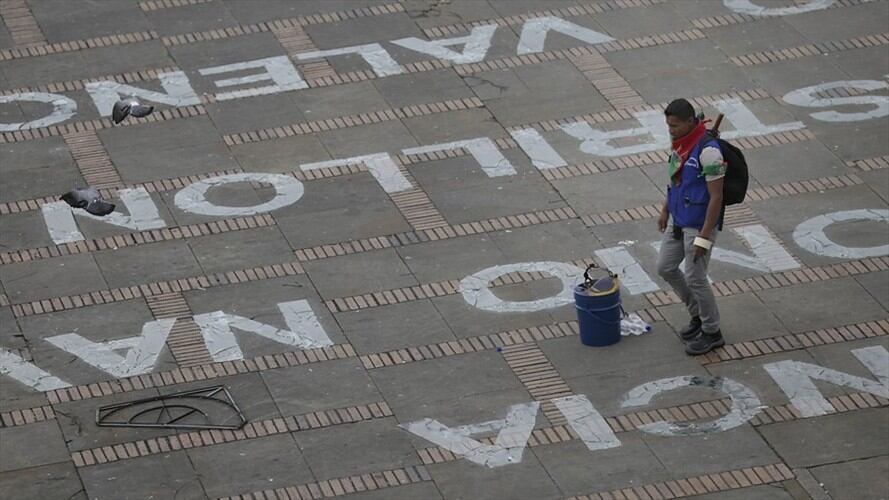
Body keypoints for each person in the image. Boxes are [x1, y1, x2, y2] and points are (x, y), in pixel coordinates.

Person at [656, 98, 726, 355]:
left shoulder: (709, 152)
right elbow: (676, 181)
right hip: (678, 218)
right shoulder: (680, 144)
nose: (670, 130)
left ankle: (712, 331)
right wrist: (666, 210)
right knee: (665, 267)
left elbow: (716, 197)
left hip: (698, 224)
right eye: (668, 125)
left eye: (674, 126)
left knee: (696, 277)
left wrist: (704, 237)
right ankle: (697, 313)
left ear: (689, 122)